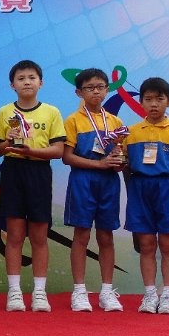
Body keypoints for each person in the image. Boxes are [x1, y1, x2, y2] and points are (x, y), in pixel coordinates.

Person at [0, 59, 65, 312]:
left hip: (39, 173)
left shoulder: (51, 112)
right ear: (12, 85)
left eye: (32, 77)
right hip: (13, 172)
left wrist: (31, 151)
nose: (27, 82)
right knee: (14, 235)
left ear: (41, 83)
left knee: (39, 235)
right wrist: (8, 142)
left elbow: (58, 150)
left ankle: (39, 293)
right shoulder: (4, 112)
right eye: (21, 78)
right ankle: (14, 292)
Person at [62, 68, 126, 312]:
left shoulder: (115, 122)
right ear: (79, 92)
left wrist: (118, 161)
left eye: (100, 87)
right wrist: (99, 164)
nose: (96, 92)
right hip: (83, 180)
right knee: (81, 235)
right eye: (90, 88)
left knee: (106, 236)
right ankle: (79, 291)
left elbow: (121, 159)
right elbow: (67, 157)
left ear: (107, 89)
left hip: (108, 182)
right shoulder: (73, 120)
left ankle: (107, 291)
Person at [123, 77, 169, 315]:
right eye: (148, 99)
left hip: (167, 189)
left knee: (168, 246)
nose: (154, 104)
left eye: (159, 99)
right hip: (139, 189)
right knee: (146, 245)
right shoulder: (130, 132)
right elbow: (123, 165)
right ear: (141, 102)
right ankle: (149, 295)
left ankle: (168, 296)